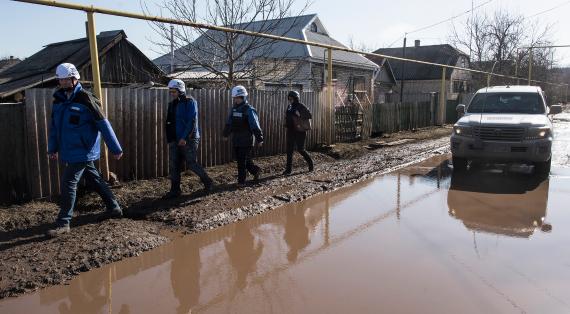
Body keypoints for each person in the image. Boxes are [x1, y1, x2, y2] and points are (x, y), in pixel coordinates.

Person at [46, 63, 123, 237]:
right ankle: (114, 207)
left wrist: (115, 148)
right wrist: (52, 147)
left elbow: (104, 124)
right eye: (61, 79)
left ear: (74, 79)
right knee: (94, 179)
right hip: (69, 150)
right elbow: (54, 127)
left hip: (83, 150)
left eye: (66, 79)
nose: (63, 82)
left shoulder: (86, 98)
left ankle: (63, 223)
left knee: (68, 183)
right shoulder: (58, 100)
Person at [163, 79, 213, 199]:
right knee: (174, 165)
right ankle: (175, 190)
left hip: (188, 139)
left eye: (174, 91)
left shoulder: (189, 102)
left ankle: (208, 182)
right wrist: (170, 138)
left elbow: (192, 120)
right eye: (171, 91)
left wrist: (185, 137)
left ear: (180, 90)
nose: (172, 93)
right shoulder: (172, 104)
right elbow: (170, 122)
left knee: (191, 163)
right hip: (174, 139)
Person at [223, 86, 264, 186]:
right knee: (243, 159)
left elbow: (255, 125)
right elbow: (229, 123)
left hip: (246, 139)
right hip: (237, 139)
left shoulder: (249, 109)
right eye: (235, 98)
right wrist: (226, 134)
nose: (236, 100)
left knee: (242, 161)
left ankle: (241, 182)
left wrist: (260, 138)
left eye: (238, 98)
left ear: (243, 97)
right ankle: (255, 171)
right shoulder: (234, 109)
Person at [283, 90, 314, 175]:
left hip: (300, 131)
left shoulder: (301, 106)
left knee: (301, 149)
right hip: (290, 131)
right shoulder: (289, 106)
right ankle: (288, 170)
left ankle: (311, 164)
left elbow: (309, 115)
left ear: (296, 99)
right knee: (289, 151)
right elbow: (287, 116)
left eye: (292, 98)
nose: (290, 100)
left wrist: (299, 114)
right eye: (289, 99)